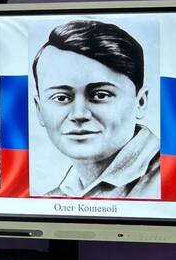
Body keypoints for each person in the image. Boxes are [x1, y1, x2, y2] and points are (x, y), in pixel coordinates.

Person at [32, 19, 160, 198]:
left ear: (140, 102)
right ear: (39, 109)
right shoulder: (49, 199)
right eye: (61, 98)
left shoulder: (166, 180)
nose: (79, 114)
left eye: (100, 95)